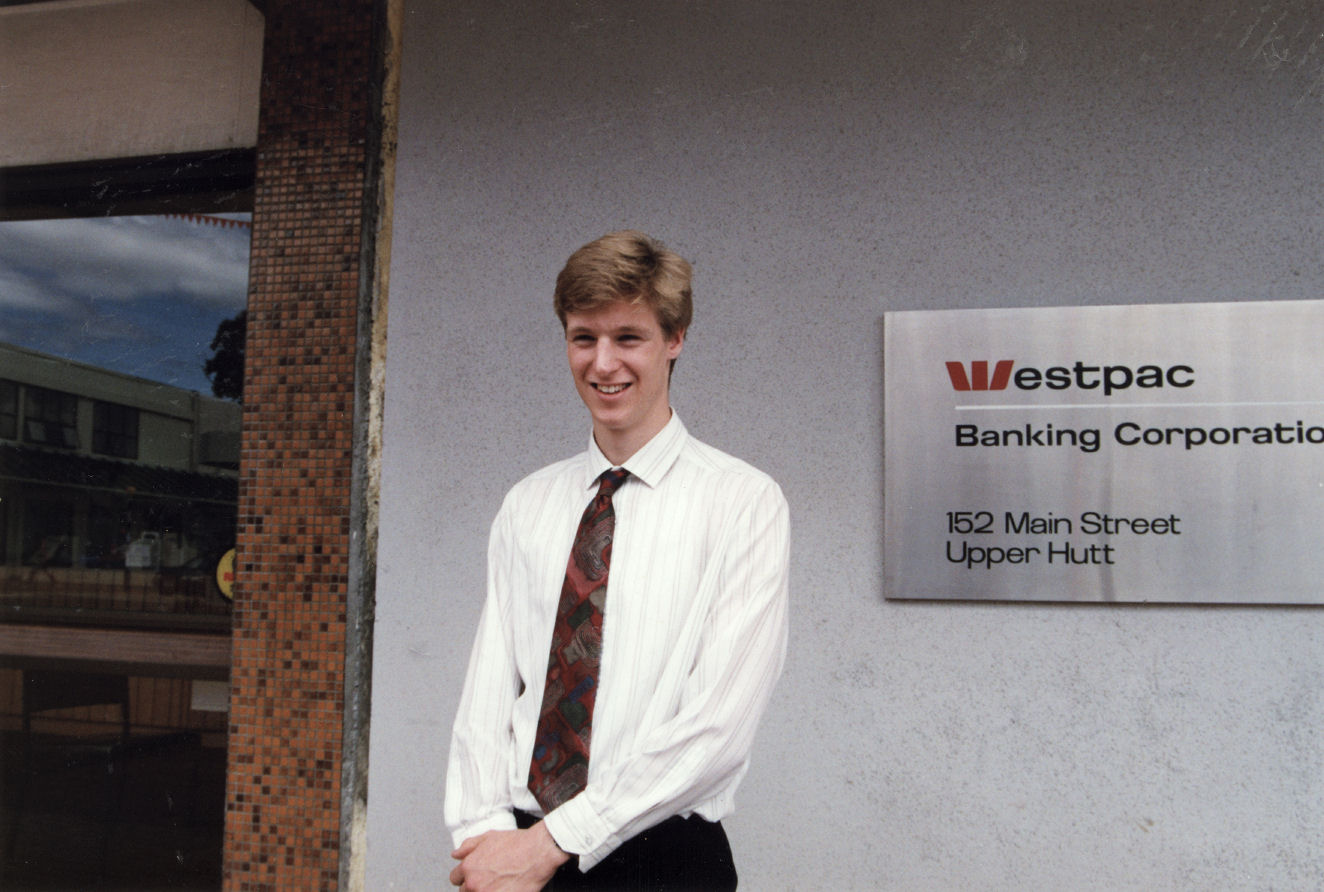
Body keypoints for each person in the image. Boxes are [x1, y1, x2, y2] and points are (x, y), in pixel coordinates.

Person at [446, 231, 790, 891]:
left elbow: (717, 727)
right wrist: (482, 833)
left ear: (675, 339)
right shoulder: (530, 503)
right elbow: (489, 691)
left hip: (660, 860)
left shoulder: (743, 502)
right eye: (583, 338)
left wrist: (553, 842)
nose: (604, 364)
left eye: (628, 337)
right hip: (519, 855)